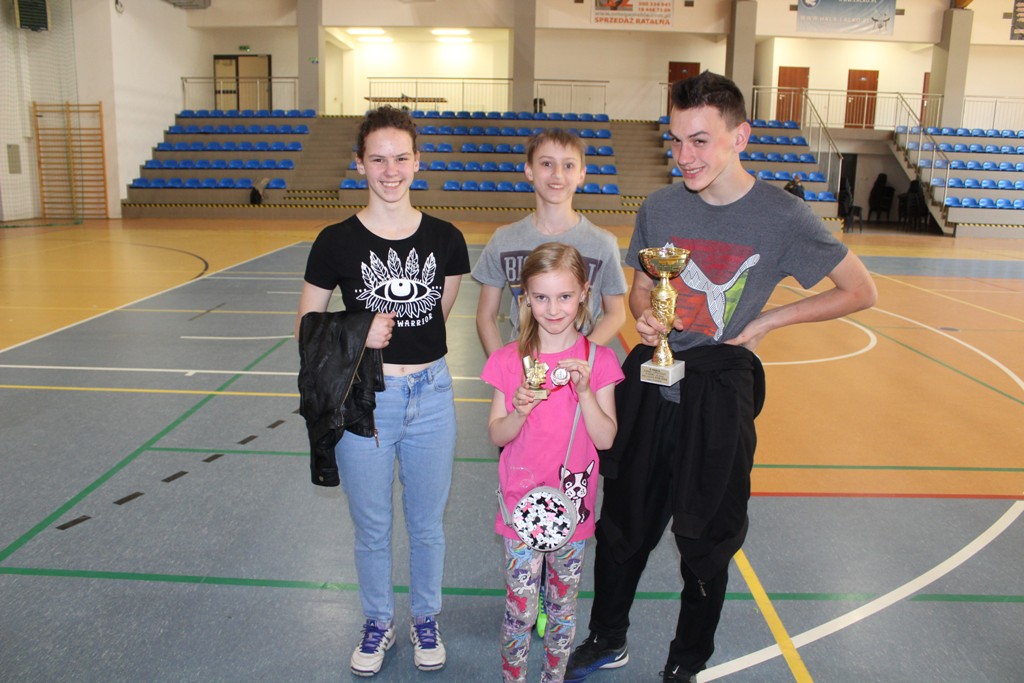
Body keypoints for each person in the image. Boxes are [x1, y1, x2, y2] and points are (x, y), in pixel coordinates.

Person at [564, 72, 877, 683]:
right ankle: (608, 636)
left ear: (741, 136)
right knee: (624, 520)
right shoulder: (660, 207)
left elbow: (860, 290)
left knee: (707, 532)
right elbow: (640, 291)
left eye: (700, 140)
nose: (684, 156)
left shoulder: (782, 216)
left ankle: (687, 659)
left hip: (719, 389)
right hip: (651, 384)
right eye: (676, 140)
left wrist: (768, 320)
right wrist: (645, 319)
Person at [295, 106, 470, 677]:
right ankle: (377, 620)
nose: (390, 170)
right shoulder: (335, 241)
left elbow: (439, 314)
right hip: (364, 400)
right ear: (360, 164)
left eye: (400, 158)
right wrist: (357, 331)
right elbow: (306, 327)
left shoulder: (447, 239)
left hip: (433, 396)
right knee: (372, 527)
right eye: (378, 159)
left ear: (417, 162)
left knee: (426, 525)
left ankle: (425, 618)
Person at [482, 243, 624, 683]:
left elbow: (605, 438)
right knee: (520, 611)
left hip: (571, 511)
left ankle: (553, 678)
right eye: (541, 297)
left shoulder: (600, 360)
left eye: (564, 296)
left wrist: (584, 391)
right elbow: (497, 434)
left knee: (562, 609)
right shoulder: (508, 360)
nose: (553, 308)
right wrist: (519, 411)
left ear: (584, 294)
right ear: (526, 298)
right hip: (520, 510)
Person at [472, 128, 628, 357]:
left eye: (568, 165)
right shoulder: (503, 240)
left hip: (578, 370)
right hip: (523, 368)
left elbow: (616, 314)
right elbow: (485, 315)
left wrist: (579, 355)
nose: (557, 174)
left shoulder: (603, 244)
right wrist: (503, 367)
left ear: (582, 174)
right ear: (529, 170)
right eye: (547, 164)